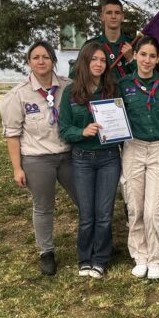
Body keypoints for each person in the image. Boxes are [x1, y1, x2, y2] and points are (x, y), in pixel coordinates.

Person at [0, 41, 75, 276]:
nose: (41, 61)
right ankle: (46, 252)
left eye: (45, 57)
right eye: (35, 57)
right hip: (37, 158)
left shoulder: (68, 87)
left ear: (53, 60)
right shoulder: (19, 94)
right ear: (29, 62)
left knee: (85, 199)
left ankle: (92, 244)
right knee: (43, 207)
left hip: (68, 155)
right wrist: (17, 168)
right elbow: (12, 134)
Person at [59, 42, 121, 279]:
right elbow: (64, 129)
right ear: (85, 62)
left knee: (104, 212)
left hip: (109, 158)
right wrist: (81, 132)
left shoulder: (112, 91)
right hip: (82, 159)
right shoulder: (71, 92)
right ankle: (85, 258)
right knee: (87, 214)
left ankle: (101, 259)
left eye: (103, 60)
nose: (98, 64)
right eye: (94, 59)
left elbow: (121, 121)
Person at [117, 36, 159, 279]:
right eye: (143, 55)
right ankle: (140, 256)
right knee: (135, 206)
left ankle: (156, 259)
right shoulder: (123, 84)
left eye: (152, 55)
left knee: (153, 209)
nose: (147, 60)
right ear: (135, 55)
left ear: (157, 58)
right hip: (133, 148)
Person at [71, 0, 135, 80]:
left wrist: (131, 59)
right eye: (109, 13)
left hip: (127, 92)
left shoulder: (133, 44)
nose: (113, 16)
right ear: (102, 16)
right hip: (99, 92)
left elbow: (145, 75)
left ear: (122, 17)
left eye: (117, 13)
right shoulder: (90, 45)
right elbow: (75, 76)